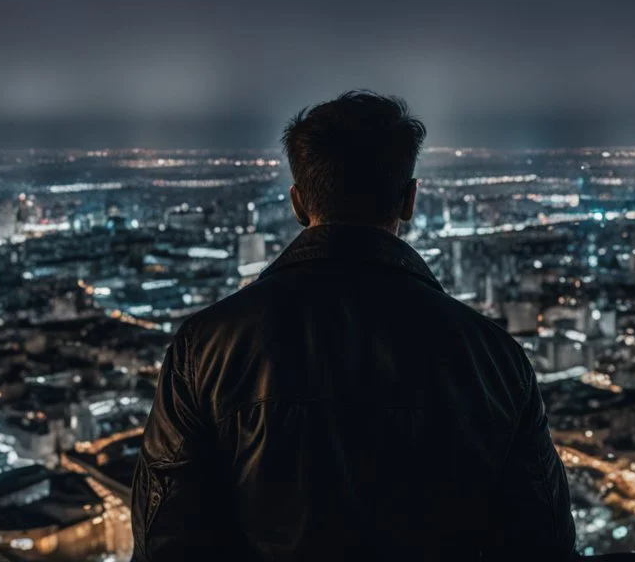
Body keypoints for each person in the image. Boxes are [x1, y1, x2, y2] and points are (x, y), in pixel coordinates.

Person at [131, 91, 576, 561]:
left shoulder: (206, 348)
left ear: (299, 204)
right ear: (409, 200)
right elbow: (544, 543)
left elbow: (166, 541)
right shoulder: (494, 357)